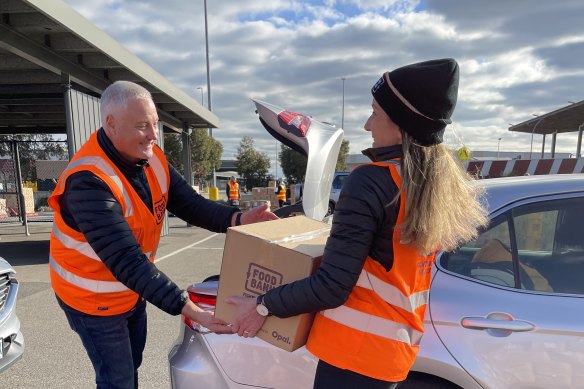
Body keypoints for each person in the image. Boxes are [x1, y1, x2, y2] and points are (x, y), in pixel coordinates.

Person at [227, 59, 488, 388]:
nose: (367, 125)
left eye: (375, 113)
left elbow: (332, 286)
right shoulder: (426, 187)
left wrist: (261, 306)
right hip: (390, 353)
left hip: (353, 356)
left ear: (400, 126)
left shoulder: (372, 181)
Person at [48, 80, 277, 389]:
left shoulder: (152, 158)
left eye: (155, 124)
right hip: (91, 300)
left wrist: (238, 218)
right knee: (117, 379)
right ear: (111, 125)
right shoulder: (87, 181)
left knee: (132, 365)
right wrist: (191, 309)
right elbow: (128, 261)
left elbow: (191, 205)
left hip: (130, 291)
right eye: (143, 126)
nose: (153, 135)